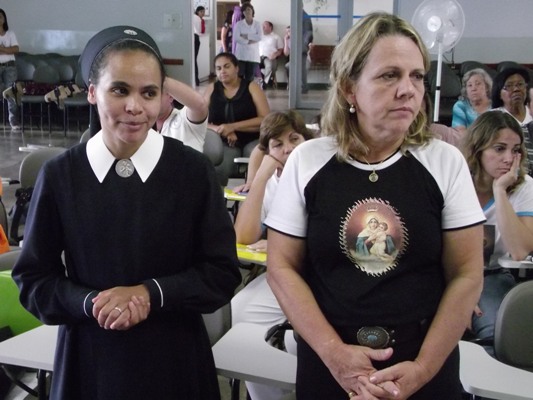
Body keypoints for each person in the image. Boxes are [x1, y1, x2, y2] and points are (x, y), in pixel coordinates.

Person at [12, 26, 241, 400]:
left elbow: (220, 272)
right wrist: (91, 303)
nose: (135, 106)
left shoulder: (191, 171)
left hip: (175, 359)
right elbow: (34, 279)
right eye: (119, 90)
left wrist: (151, 294)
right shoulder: (61, 175)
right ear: (91, 93)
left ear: (163, 98)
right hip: (90, 357)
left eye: (148, 93)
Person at [264, 12, 485, 400]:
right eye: (389, 75)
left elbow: (466, 274)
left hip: (423, 357)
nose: (408, 89)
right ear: (350, 88)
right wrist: (335, 355)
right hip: (329, 358)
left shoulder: (444, 162)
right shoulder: (309, 161)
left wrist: (423, 370)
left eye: (416, 76)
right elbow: (282, 267)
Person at [232, 110, 314, 400]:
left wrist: (281, 244)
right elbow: (243, 238)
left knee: (298, 338)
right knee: (240, 309)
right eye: (277, 144)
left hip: (321, 275)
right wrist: (262, 176)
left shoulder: (322, 173)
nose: (288, 148)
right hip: (283, 275)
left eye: (294, 138)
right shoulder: (272, 181)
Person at [461, 110, 533, 355]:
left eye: (515, 150)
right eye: (499, 149)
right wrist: (463, 291)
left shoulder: (525, 187)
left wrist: (500, 191)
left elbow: (519, 250)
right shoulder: (455, 180)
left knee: (497, 334)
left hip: (492, 275)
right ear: (478, 149)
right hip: (446, 274)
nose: (509, 159)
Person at [204, 52, 269, 180]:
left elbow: (266, 119)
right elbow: (200, 119)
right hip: (224, 140)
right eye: (219, 68)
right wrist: (221, 129)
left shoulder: (252, 87)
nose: (222, 71)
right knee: (221, 169)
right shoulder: (212, 88)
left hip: (252, 138)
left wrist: (232, 127)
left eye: (227, 66)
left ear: (236, 68)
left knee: (256, 166)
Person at [491, 67, 533, 173]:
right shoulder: (492, 118)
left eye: (520, 84)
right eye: (509, 86)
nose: (516, 89)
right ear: (499, 93)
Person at [155, 76, 208, 153]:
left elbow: (200, 105)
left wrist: (156, 75)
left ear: (170, 97)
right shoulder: (144, 126)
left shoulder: (184, 118)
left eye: (154, 94)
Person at [451, 68, 492, 134]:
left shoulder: (496, 106)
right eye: (470, 85)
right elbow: (460, 134)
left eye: (478, 84)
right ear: (466, 90)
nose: (473, 88)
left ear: (486, 87)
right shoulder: (460, 106)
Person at [284, 9, 313, 93]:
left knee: (301, 68)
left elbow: (308, 32)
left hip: (302, 46)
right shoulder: (300, 16)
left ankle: (302, 87)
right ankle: (301, 87)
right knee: (300, 67)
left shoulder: (304, 16)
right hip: (300, 46)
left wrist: (304, 44)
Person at [0, 9, 20, 130]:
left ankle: (13, 121)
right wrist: (7, 49)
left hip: (10, 67)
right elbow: (11, 49)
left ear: (4, 19)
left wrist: (2, 49)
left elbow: (16, 49)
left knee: (11, 93)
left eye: (1, 16)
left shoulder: (10, 34)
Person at [233, 3, 261, 82]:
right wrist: (249, 41)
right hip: (241, 55)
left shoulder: (257, 24)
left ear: (252, 11)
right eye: (245, 10)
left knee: (250, 78)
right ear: (243, 13)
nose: (247, 12)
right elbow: (237, 38)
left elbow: (259, 37)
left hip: (253, 56)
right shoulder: (239, 24)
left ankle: (248, 94)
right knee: (239, 76)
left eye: (249, 9)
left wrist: (246, 35)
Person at [259, 21, 283, 89]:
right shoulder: (259, 36)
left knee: (270, 66)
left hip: (270, 57)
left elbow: (280, 50)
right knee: (253, 66)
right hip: (259, 57)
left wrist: (275, 55)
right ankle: (262, 81)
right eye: (262, 26)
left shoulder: (276, 37)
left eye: (264, 26)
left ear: (270, 27)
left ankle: (265, 83)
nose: (262, 27)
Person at [193, 6, 206, 86]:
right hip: (196, 37)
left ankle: (195, 80)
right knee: (194, 59)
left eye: (203, 12)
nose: (203, 14)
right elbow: (202, 31)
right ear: (197, 11)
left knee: (193, 60)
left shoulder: (192, 17)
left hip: (192, 38)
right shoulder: (199, 19)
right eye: (201, 12)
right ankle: (196, 80)